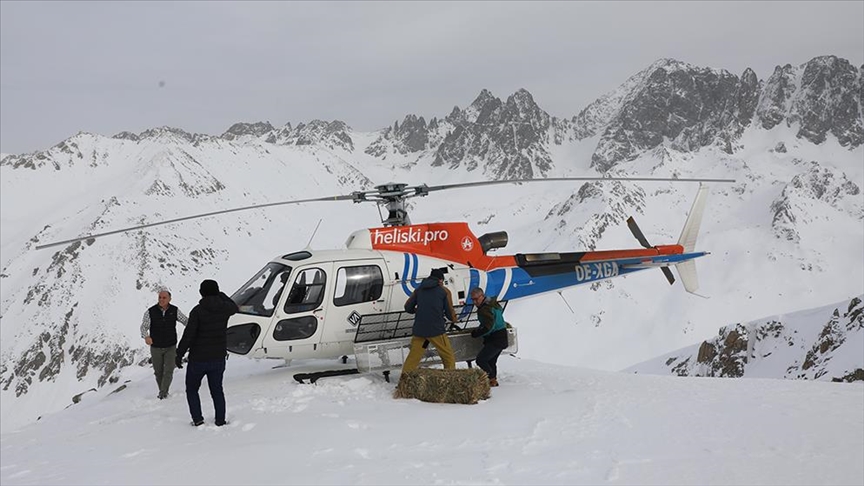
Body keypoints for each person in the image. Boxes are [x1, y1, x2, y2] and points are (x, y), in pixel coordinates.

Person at [176, 279, 239, 427]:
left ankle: (198, 420)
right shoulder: (225, 309)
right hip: (218, 358)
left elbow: (188, 335)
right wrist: (220, 295)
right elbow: (235, 307)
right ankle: (220, 420)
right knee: (217, 390)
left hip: (198, 359)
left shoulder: (197, 311)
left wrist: (179, 354)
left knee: (192, 389)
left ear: (201, 293)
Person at [401, 269, 457, 372]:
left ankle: (404, 381)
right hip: (436, 331)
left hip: (420, 331)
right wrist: (454, 319)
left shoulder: (419, 289)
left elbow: (407, 307)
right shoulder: (444, 291)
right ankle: (450, 379)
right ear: (440, 280)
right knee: (448, 356)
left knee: (413, 358)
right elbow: (450, 311)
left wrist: (417, 310)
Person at [140, 290, 188, 399]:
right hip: (156, 346)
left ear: (169, 299)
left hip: (170, 346)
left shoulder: (174, 310)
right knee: (158, 371)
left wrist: (194, 329)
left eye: (164, 298)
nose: (161, 300)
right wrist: (146, 336)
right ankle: (163, 390)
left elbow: (185, 321)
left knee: (169, 370)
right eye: (160, 297)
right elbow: (144, 327)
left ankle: (163, 393)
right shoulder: (150, 312)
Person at [469, 287, 508, 387]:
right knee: (491, 361)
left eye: (476, 299)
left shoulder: (485, 309)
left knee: (481, 360)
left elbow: (488, 327)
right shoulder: (493, 304)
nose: (474, 302)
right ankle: (492, 381)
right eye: (472, 299)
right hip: (502, 336)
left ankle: (489, 377)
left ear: (482, 296)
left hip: (496, 338)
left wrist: (476, 333)